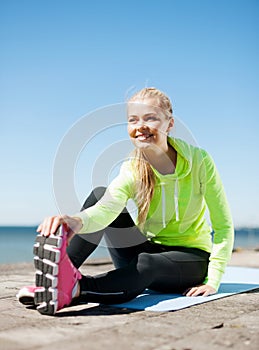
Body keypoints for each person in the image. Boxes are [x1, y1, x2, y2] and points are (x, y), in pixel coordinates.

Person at [17, 87, 234, 315]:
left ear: (169, 123)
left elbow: (223, 225)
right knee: (99, 194)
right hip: (146, 250)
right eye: (133, 120)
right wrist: (76, 221)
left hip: (189, 258)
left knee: (147, 262)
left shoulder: (200, 161)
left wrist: (214, 280)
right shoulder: (132, 168)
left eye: (150, 118)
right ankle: (59, 276)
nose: (140, 126)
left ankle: (77, 288)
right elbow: (107, 207)